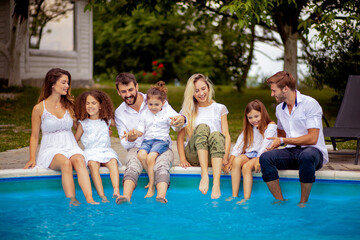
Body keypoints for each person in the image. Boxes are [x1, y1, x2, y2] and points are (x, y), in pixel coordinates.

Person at [24, 68, 98, 206]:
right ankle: (73, 201)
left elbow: (80, 126)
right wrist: (32, 158)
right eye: (63, 82)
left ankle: (90, 200)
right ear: (52, 84)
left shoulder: (69, 105)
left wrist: (100, 127)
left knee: (80, 161)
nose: (67, 86)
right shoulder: (39, 108)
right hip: (51, 149)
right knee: (66, 163)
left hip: (70, 145)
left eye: (68, 83)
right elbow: (34, 136)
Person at [114, 73, 185, 204]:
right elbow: (125, 143)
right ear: (118, 92)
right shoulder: (119, 113)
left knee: (161, 165)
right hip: (140, 145)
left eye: (130, 89)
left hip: (161, 145)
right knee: (133, 164)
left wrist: (181, 119)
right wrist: (132, 137)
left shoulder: (154, 97)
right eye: (123, 91)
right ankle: (126, 196)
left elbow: (175, 122)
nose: (128, 94)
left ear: (137, 86)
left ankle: (161, 195)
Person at [260, 71, 328, 206]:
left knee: (306, 156)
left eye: (274, 91)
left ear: (285, 89)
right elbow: (281, 134)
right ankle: (280, 201)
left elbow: (312, 138)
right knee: (265, 158)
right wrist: (273, 142)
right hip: (291, 152)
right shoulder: (280, 109)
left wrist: (284, 141)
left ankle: (303, 203)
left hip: (313, 152)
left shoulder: (310, 104)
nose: (272, 94)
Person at [177, 73, 231, 199]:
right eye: (196, 91)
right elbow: (180, 138)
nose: (201, 93)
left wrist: (225, 157)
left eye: (203, 89)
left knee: (217, 135)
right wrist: (182, 159)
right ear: (192, 93)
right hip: (194, 155)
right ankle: (204, 175)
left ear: (208, 88)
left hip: (214, 156)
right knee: (202, 127)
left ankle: (216, 184)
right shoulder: (187, 110)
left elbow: (226, 135)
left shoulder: (220, 108)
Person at [223, 100, 277, 203]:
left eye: (256, 116)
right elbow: (238, 146)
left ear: (263, 113)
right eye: (250, 117)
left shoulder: (271, 126)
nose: (253, 120)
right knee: (237, 161)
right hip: (251, 153)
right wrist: (230, 162)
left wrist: (258, 158)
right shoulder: (249, 128)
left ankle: (246, 198)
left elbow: (266, 144)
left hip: (264, 153)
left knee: (246, 167)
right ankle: (234, 195)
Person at [74, 90, 121, 203]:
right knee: (92, 165)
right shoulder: (83, 123)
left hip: (105, 150)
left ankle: (116, 190)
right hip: (91, 152)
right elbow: (75, 140)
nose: (90, 106)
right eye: (87, 103)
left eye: (93, 103)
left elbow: (121, 125)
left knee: (113, 161)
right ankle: (102, 196)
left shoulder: (107, 120)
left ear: (100, 106)